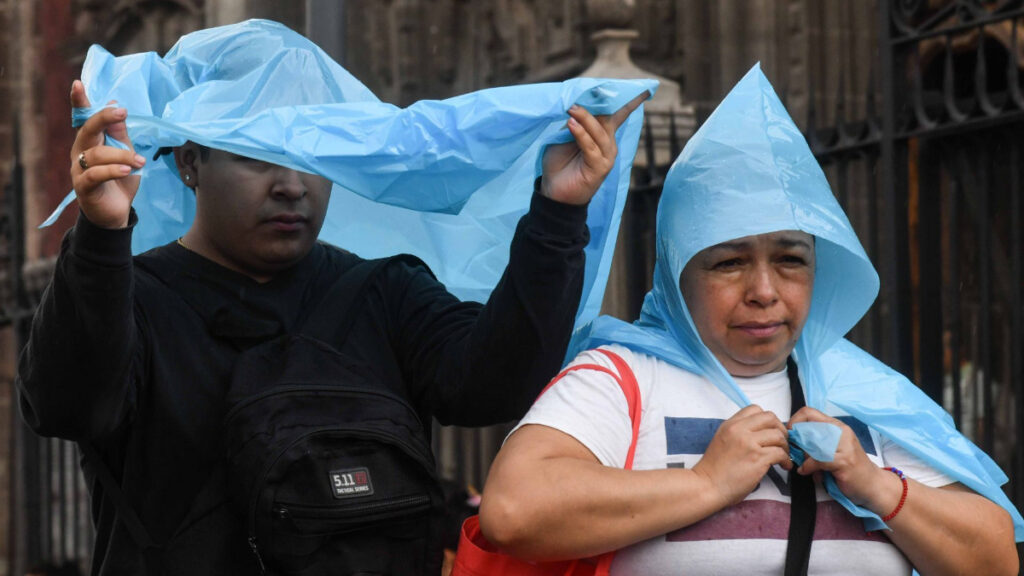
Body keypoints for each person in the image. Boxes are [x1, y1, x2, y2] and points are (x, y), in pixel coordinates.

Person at [16, 21, 649, 576]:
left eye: (312, 156)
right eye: (260, 156)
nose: (291, 185)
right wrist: (101, 239)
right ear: (188, 163)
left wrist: (557, 214)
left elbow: (492, 384)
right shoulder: (136, 299)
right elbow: (67, 405)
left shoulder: (383, 291)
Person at [479, 64, 1022, 575]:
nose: (764, 291)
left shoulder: (865, 391)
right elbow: (514, 511)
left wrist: (876, 485)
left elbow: (996, 559)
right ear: (677, 274)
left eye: (790, 260)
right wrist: (706, 484)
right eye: (729, 262)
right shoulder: (621, 379)